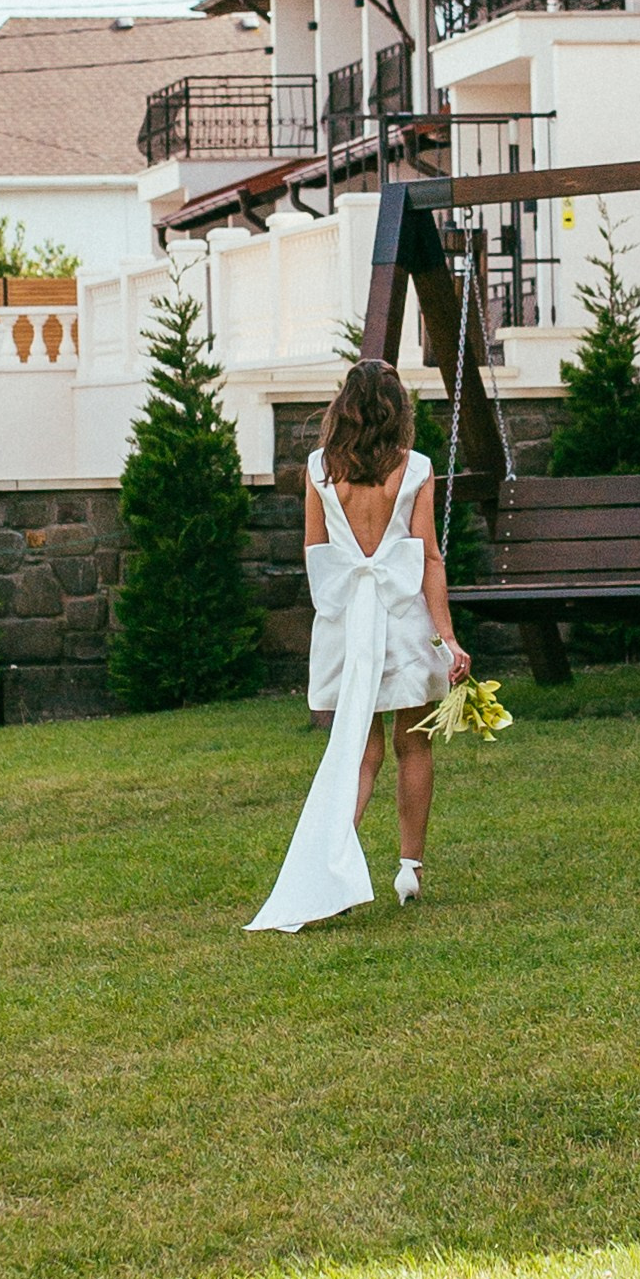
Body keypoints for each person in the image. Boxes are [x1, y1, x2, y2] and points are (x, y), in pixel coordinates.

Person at [246, 358, 470, 934]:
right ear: (398, 411)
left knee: (359, 752)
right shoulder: (415, 469)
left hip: (349, 621)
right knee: (413, 745)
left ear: (344, 408)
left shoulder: (319, 472)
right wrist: (446, 637)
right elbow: (430, 560)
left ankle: (333, 872)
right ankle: (409, 869)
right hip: (402, 622)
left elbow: (315, 555)